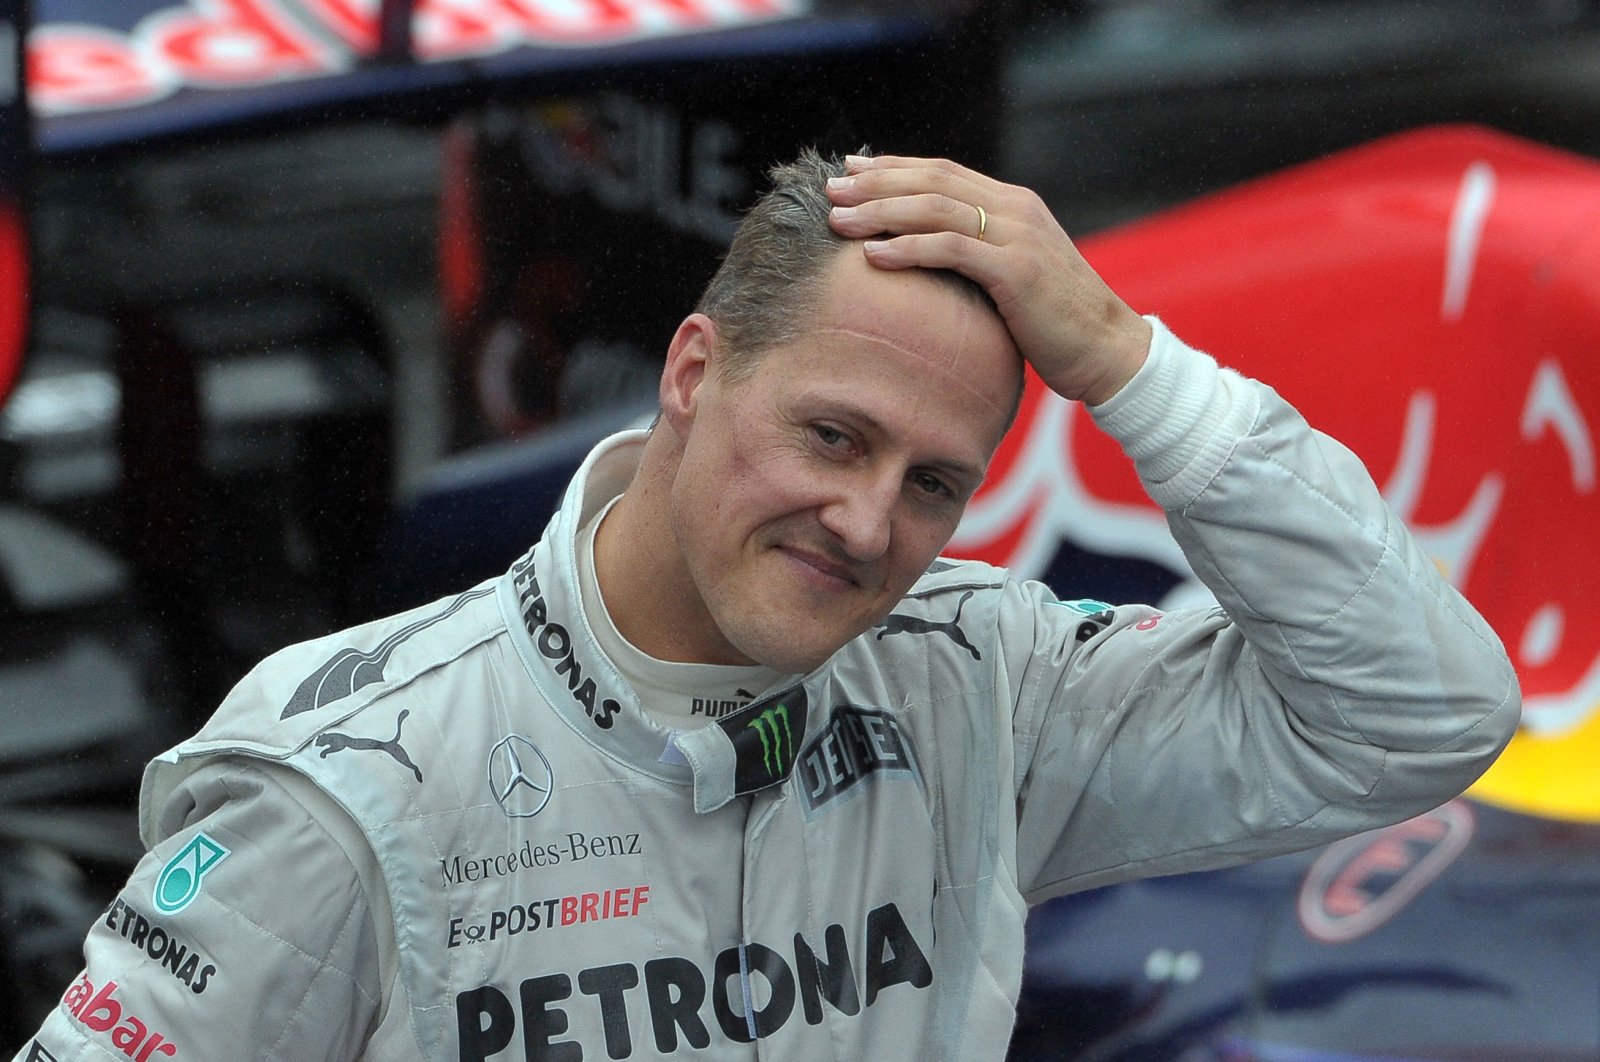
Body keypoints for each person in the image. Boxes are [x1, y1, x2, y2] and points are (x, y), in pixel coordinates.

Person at [16, 150, 1518, 1062]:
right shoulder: (354, 772)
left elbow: (1421, 709)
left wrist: (1134, 366)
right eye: (833, 436)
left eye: (936, 483)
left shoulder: (981, 686)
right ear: (690, 371)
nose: (869, 522)